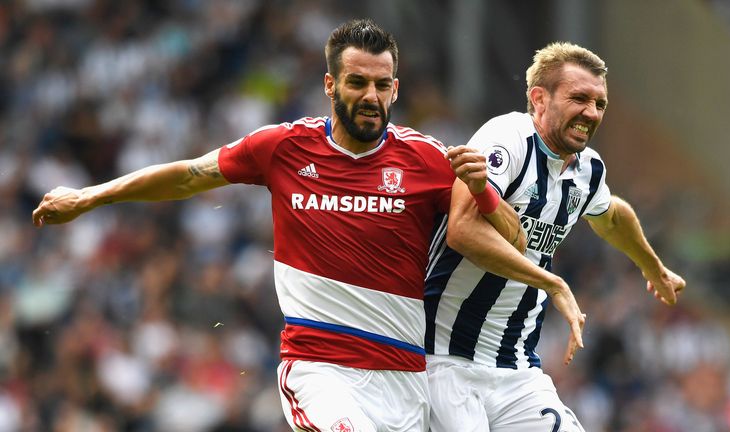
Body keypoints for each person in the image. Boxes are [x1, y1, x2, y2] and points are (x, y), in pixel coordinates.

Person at [31, 19, 585, 432]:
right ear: (329, 84)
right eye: (357, 82)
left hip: (408, 379)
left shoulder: (427, 159)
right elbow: (186, 176)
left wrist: (484, 191)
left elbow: (511, 236)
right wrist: (89, 195)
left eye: (382, 84)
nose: (370, 96)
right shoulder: (282, 148)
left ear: (395, 88)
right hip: (322, 372)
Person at [424, 41, 687, 431]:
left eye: (600, 104)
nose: (591, 113)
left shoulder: (589, 170)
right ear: (539, 98)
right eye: (579, 98)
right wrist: (554, 283)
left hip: (517, 368)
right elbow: (463, 231)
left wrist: (654, 267)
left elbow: (611, 216)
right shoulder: (506, 137)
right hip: (444, 361)